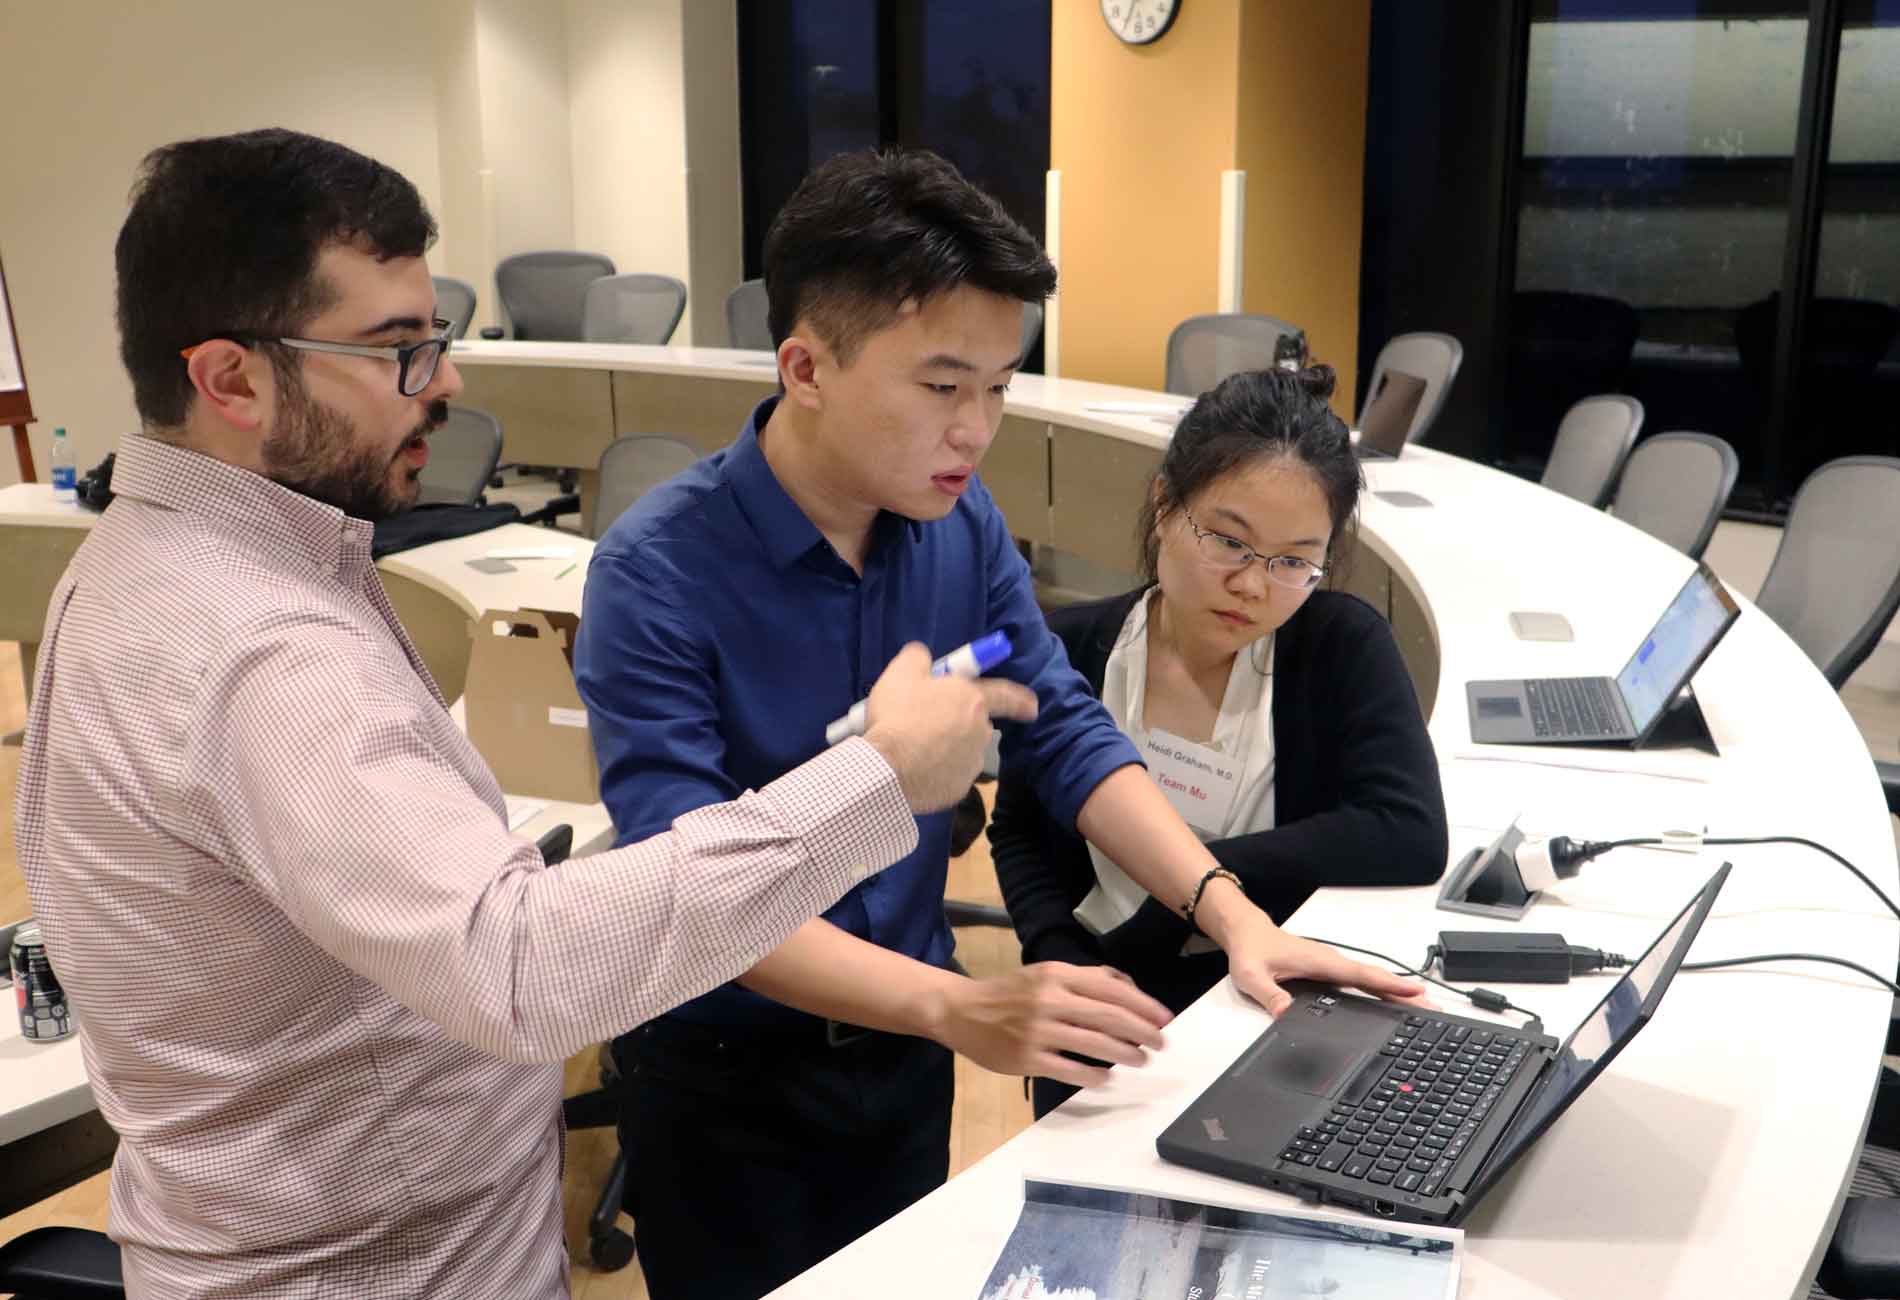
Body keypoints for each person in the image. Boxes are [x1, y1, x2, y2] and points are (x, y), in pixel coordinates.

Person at [13, 128, 1030, 1300]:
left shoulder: (151, 561)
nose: (445, 383)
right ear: (231, 380)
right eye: (397, 351)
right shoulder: (261, 650)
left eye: (434, 338)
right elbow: (524, 969)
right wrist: (878, 776)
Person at [571, 147, 1421, 1299]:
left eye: (1000, 387)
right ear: (805, 365)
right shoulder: (655, 576)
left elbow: (1061, 729)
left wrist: (1228, 914)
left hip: (908, 1058)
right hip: (731, 1073)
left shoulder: (958, 528)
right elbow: (692, 894)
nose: (976, 429)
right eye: (941, 386)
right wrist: (959, 1003)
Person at [990, 364, 1450, 1118]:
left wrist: (1186, 894)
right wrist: (1056, 954)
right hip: (1102, 1009)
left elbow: (1408, 831)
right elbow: (1018, 830)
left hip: (1267, 1008)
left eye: (1296, 561)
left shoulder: (1336, 643)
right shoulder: (1069, 650)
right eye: (1229, 543)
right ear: (1167, 504)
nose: (1255, 586)